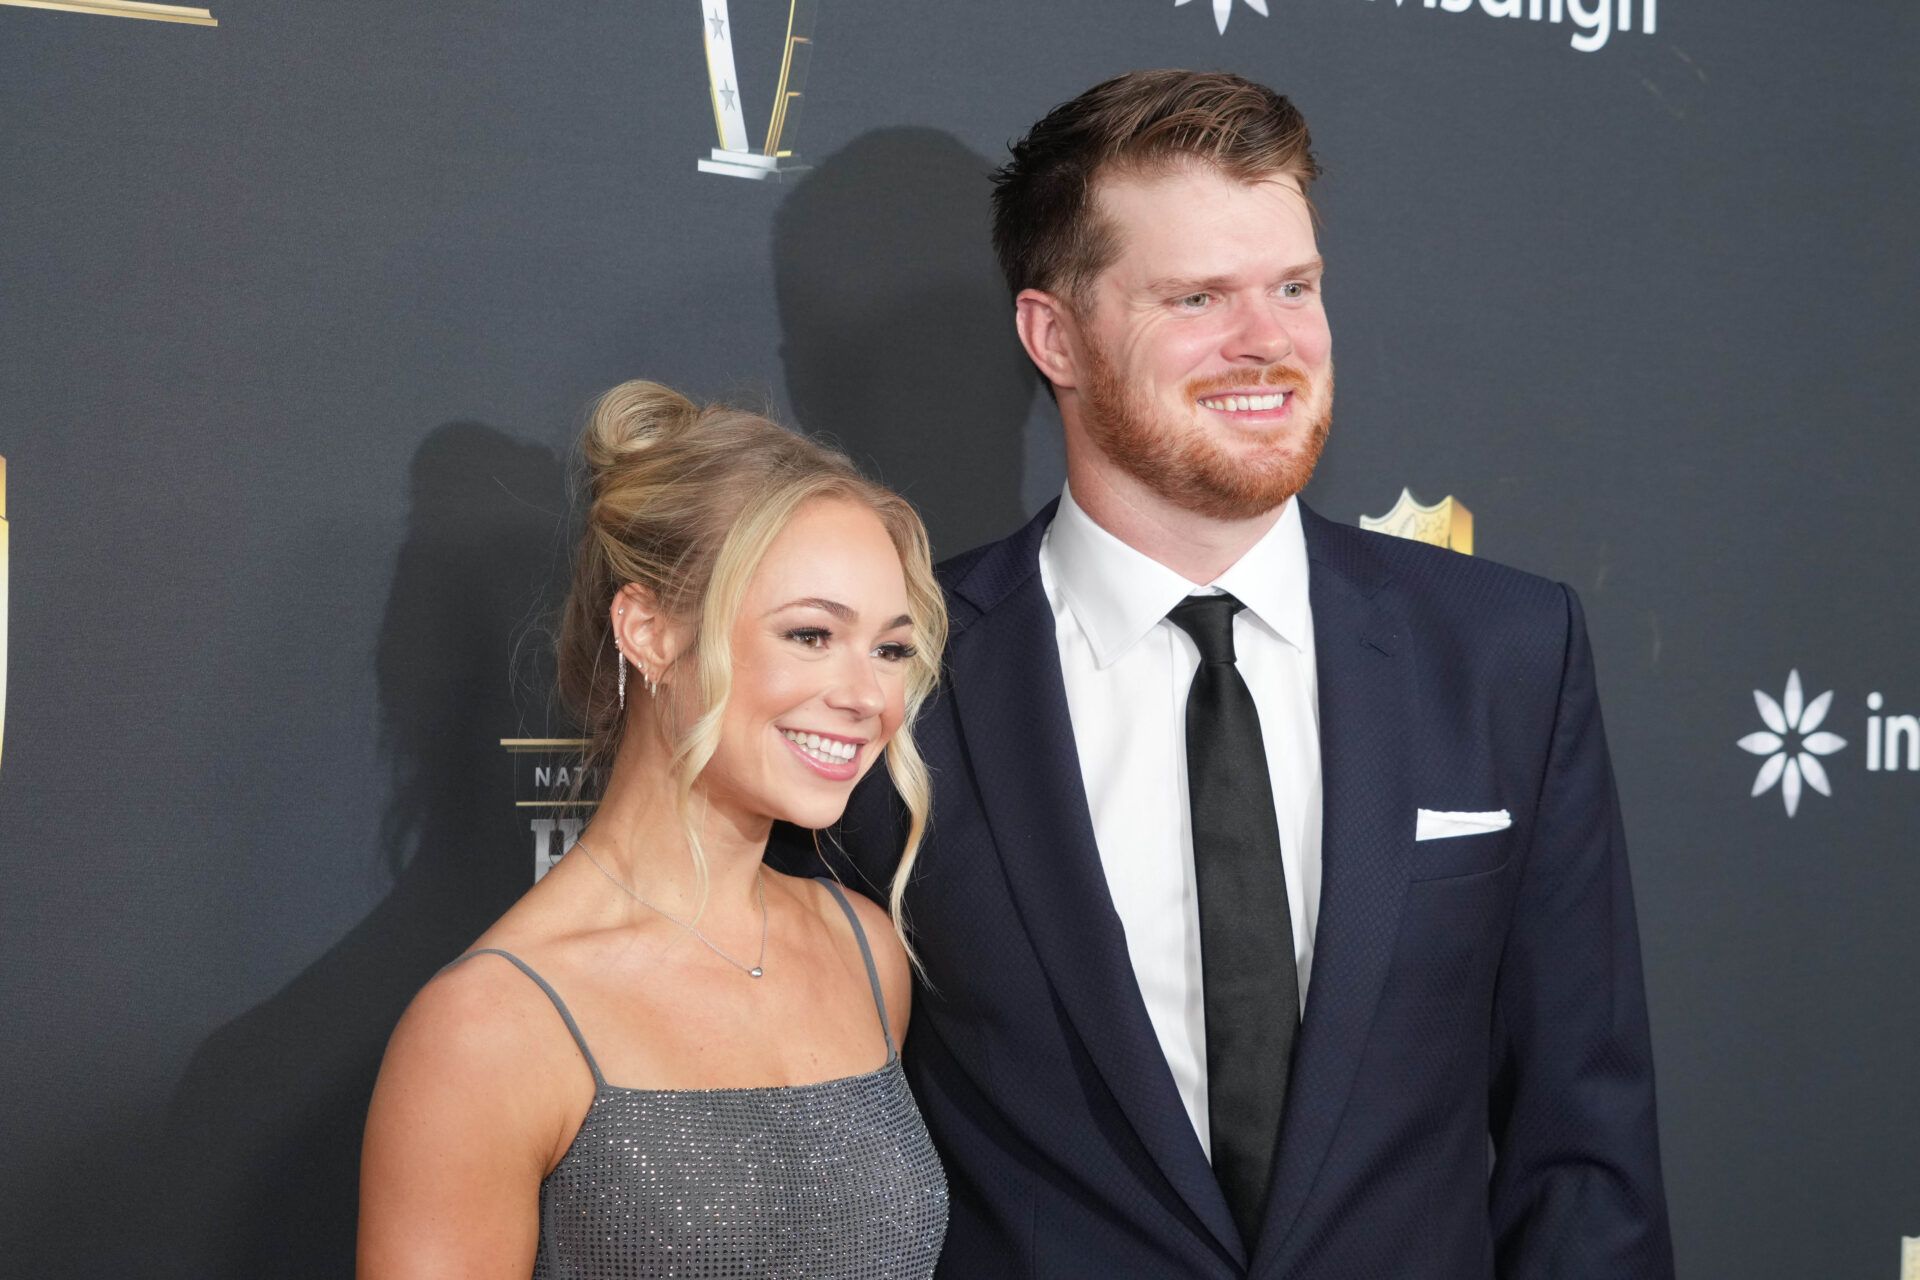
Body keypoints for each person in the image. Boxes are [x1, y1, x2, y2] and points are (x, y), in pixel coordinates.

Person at [777, 71, 1674, 1277]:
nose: (1271, 340)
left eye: (1295, 287)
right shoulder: (899, 676)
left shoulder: (1505, 650)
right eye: (1198, 297)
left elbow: (1585, 1149)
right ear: (1054, 337)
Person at [357, 381, 950, 1278]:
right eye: (810, 635)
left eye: (890, 649)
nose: (868, 697)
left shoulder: (863, 950)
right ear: (650, 632)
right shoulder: (490, 1028)